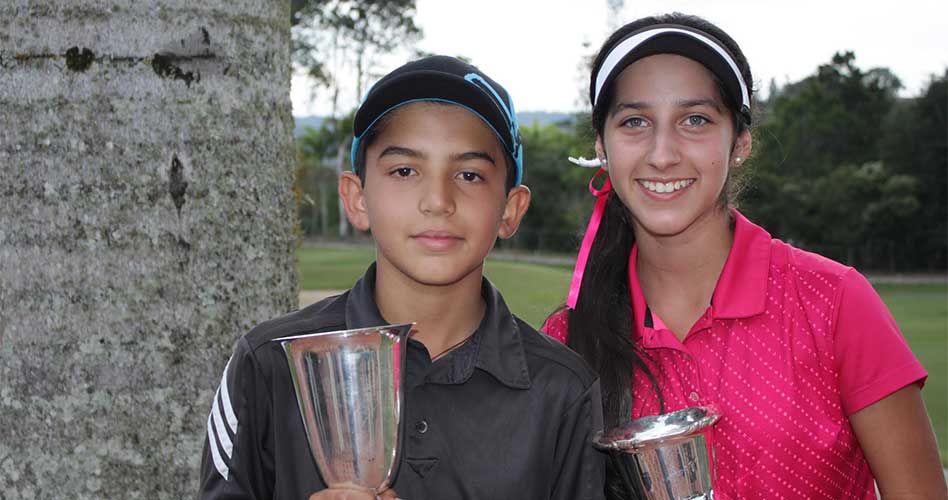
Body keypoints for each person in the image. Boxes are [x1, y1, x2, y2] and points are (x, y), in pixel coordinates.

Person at [542, 13, 947, 500]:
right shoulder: (568, 340)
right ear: (602, 147)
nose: (663, 153)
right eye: (634, 121)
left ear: (740, 143)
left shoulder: (834, 303)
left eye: (695, 120)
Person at [198, 55, 606, 500]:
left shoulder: (563, 391)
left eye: (469, 174)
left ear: (510, 210)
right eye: (404, 171)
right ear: (356, 198)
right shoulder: (269, 366)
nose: (437, 200)